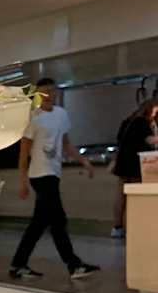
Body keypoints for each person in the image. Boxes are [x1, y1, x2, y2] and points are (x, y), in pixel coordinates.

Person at [10, 78, 99, 281]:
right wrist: (22, 181)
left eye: (51, 91)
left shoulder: (61, 114)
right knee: (58, 220)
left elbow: (66, 144)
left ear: (56, 92)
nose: (48, 95)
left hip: (54, 173)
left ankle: (18, 264)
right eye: (43, 92)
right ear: (37, 95)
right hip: (40, 175)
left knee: (39, 223)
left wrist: (84, 161)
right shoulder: (33, 117)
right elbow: (24, 152)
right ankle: (74, 265)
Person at [111, 95, 158, 235]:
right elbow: (150, 141)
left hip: (122, 161)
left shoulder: (127, 121)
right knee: (136, 195)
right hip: (135, 163)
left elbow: (119, 140)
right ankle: (135, 227)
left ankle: (117, 227)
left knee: (120, 195)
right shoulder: (143, 122)